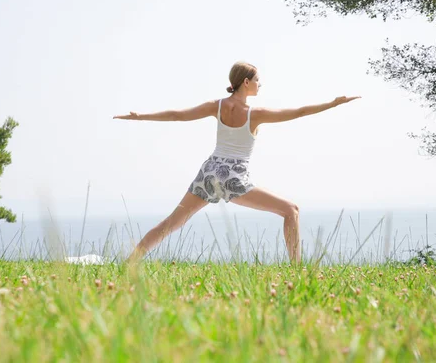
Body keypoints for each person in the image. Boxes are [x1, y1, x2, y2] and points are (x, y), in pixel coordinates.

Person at [113, 61, 361, 263]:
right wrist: (332, 104)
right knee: (291, 210)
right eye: (256, 80)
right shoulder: (255, 114)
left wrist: (140, 117)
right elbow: (299, 112)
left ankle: (131, 262)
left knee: (171, 223)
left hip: (209, 172)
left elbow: (177, 116)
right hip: (232, 176)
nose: (259, 84)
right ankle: (296, 271)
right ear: (245, 82)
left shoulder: (216, 106)